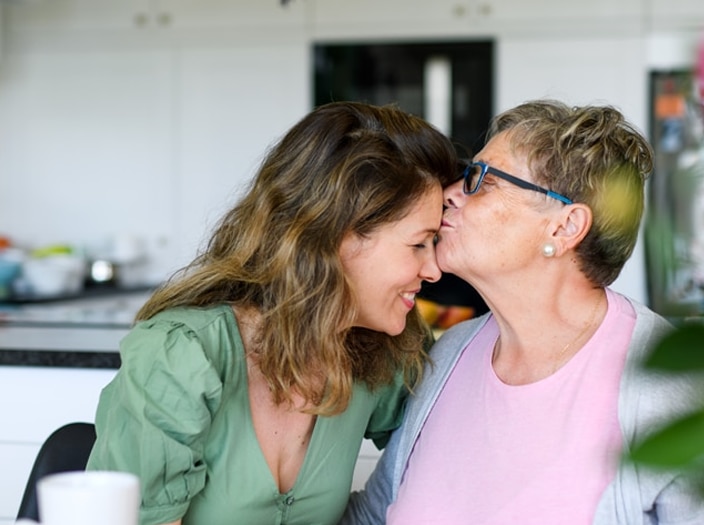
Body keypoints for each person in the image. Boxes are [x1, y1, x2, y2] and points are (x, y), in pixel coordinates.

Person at [85, 100, 459, 525]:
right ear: (338, 238)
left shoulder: (387, 353)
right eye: (418, 244)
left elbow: (457, 469)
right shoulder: (181, 358)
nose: (433, 269)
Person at [341, 99, 704, 524]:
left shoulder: (667, 390)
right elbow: (373, 515)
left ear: (565, 226)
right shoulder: (448, 356)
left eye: (480, 179)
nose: (449, 194)